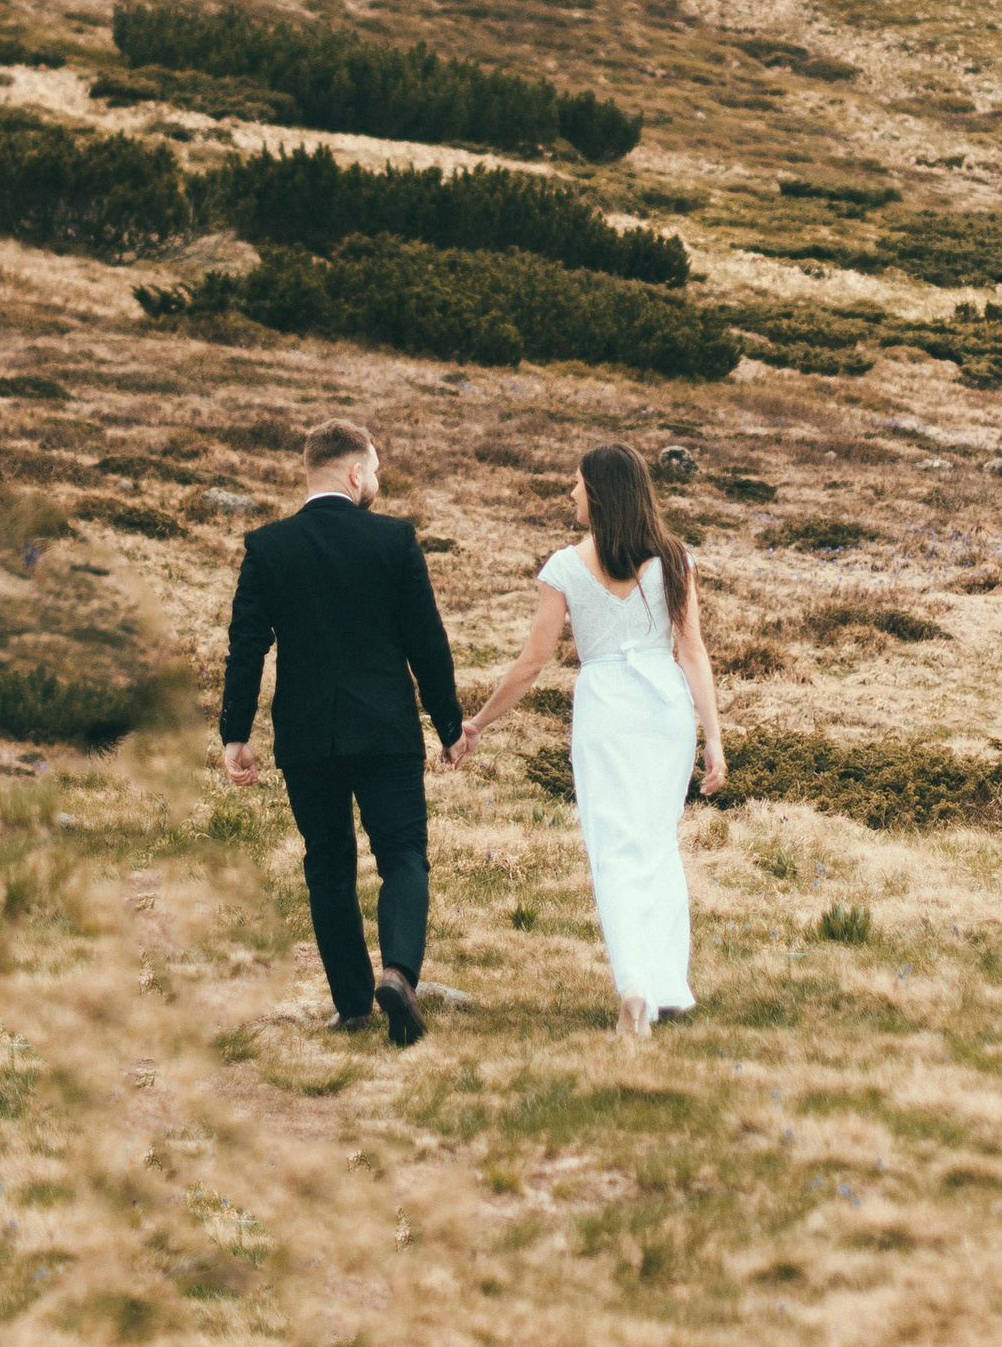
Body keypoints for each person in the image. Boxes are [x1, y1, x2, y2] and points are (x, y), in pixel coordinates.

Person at [456, 442, 725, 1039]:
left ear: (599, 492)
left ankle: (635, 983)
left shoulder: (565, 567)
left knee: (613, 848)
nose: (570, 493)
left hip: (605, 706)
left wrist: (479, 722)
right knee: (656, 840)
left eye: (577, 483)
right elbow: (691, 651)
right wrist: (713, 737)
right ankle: (667, 987)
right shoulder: (676, 559)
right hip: (664, 709)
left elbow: (532, 663)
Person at [220, 417, 461, 1045]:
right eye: (375, 469)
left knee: (327, 865)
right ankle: (400, 975)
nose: (376, 481)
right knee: (402, 854)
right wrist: (450, 724)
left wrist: (234, 732)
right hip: (385, 730)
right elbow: (426, 643)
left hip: (307, 737)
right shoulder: (394, 540)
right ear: (355, 473)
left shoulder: (268, 547)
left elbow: (246, 646)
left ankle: (354, 1005)